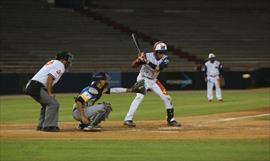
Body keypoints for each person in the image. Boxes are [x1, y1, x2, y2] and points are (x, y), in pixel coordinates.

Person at [123, 41, 181, 128]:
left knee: (167, 98)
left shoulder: (166, 59)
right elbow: (133, 65)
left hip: (153, 80)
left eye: (163, 52)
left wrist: (146, 62)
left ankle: (171, 119)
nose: (162, 54)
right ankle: (128, 119)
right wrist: (139, 60)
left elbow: (158, 68)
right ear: (155, 51)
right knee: (139, 96)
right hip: (143, 78)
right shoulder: (146, 56)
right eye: (160, 52)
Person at [72, 72, 145, 131]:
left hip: (83, 110)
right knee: (105, 107)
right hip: (78, 112)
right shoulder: (92, 90)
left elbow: (115, 90)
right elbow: (78, 101)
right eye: (105, 79)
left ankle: (84, 125)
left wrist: (130, 90)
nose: (106, 81)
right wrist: (83, 117)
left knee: (107, 107)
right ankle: (89, 126)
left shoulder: (99, 88)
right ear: (99, 81)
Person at [24, 51, 74, 132]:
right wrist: (50, 93)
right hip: (36, 86)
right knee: (53, 104)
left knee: (46, 104)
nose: (69, 62)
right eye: (68, 59)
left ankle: (41, 125)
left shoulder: (53, 62)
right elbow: (50, 78)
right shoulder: (60, 65)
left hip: (32, 85)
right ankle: (49, 126)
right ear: (63, 60)